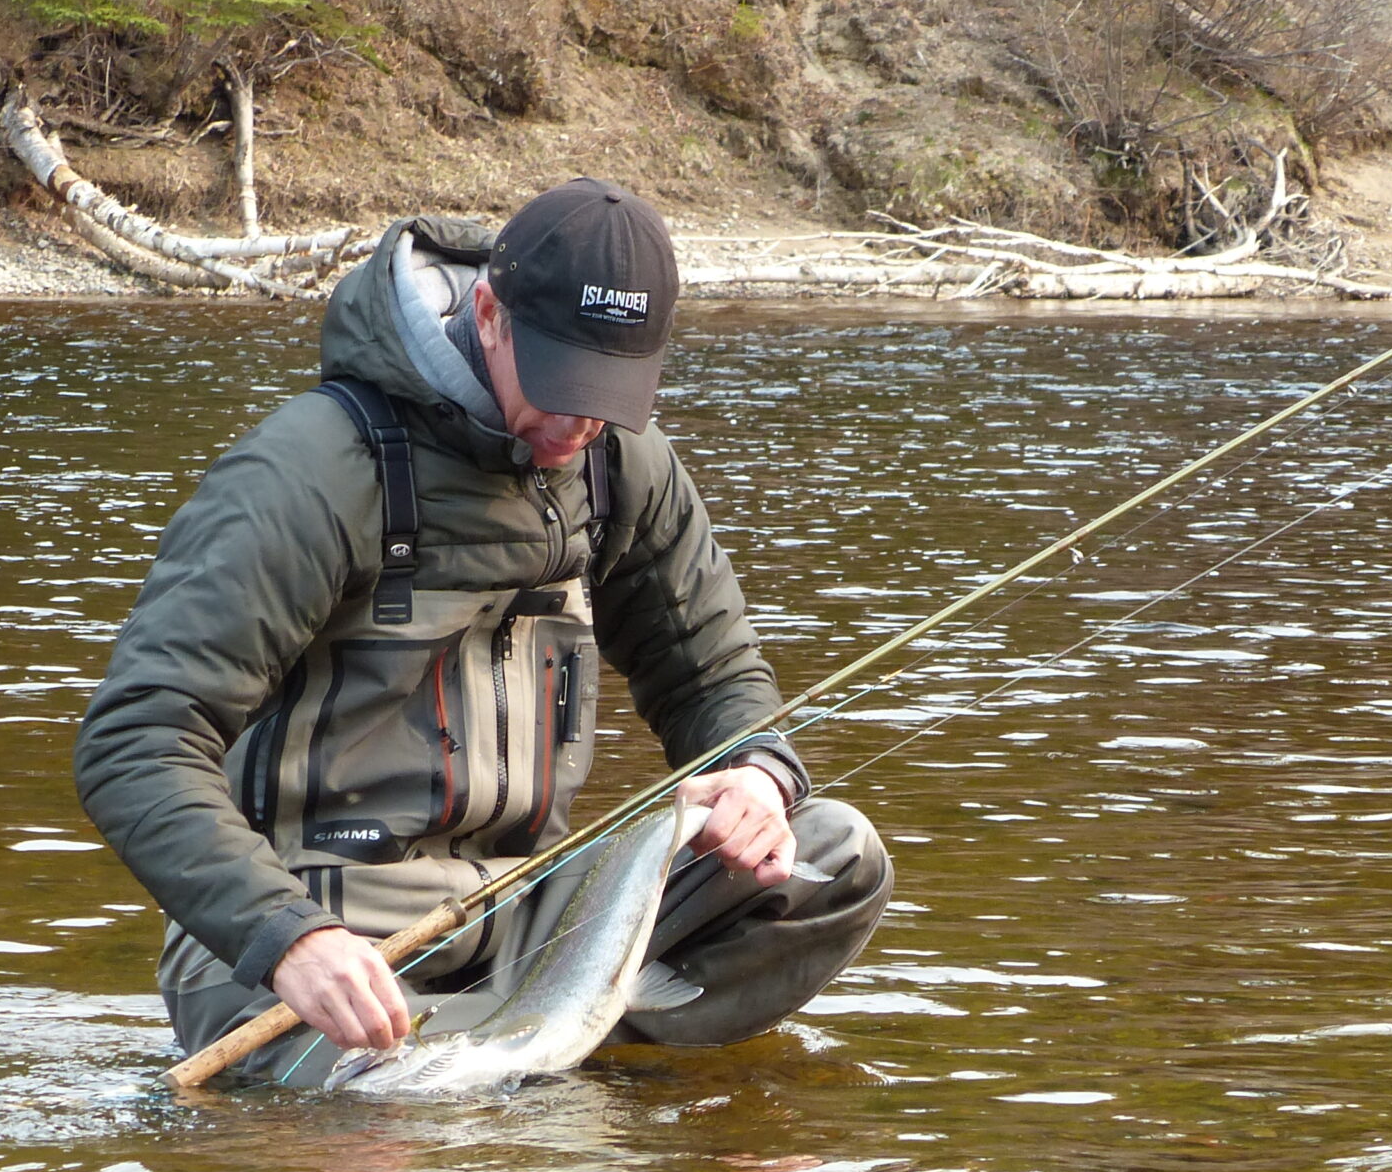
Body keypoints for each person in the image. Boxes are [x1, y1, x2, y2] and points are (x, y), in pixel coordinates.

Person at [74, 178, 892, 1086]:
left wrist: (755, 775)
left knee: (831, 854)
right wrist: (284, 938)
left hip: (532, 910)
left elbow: (713, 679)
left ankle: (531, 1055)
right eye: (561, 384)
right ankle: (510, 1072)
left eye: (609, 393)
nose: (578, 424)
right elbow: (136, 741)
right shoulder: (308, 472)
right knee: (409, 1122)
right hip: (321, 935)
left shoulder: (616, 464)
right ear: (490, 314)